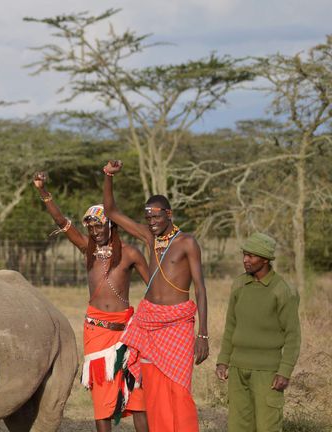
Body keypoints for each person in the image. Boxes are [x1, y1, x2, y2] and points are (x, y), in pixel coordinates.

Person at [33, 171, 149, 432]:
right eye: (91, 227)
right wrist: (42, 191)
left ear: (112, 225)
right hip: (97, 332)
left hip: (127, 332)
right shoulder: (88, 250)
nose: (95, 231)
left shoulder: (130, 253)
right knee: (102, 397)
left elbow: (154, 286)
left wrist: (148, 321)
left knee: (137, 392)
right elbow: (62, 221)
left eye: (100, 225)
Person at [102, 160, 208, 431]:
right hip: (150, 322)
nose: (152, 222)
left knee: (179, 389)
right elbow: (111, 211)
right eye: (148, 218)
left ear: (169, 214)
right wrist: (108, 177)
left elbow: (200, 289)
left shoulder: (187, 242)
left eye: (157, 217)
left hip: (178, 324)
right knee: (154, 389)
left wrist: (203, 335)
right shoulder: (150, 238)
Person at [216, 233, 300, 432]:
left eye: (251, 256)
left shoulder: (282, 290)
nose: (245, 260)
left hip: (267, 373)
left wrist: (284, 371)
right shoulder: (239, 284)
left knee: (266, 427)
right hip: (237, 369)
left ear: (265, 259)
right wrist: (223, 360)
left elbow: (293, 335)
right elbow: (230, 326)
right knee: (238, 426)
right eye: (244, 254)